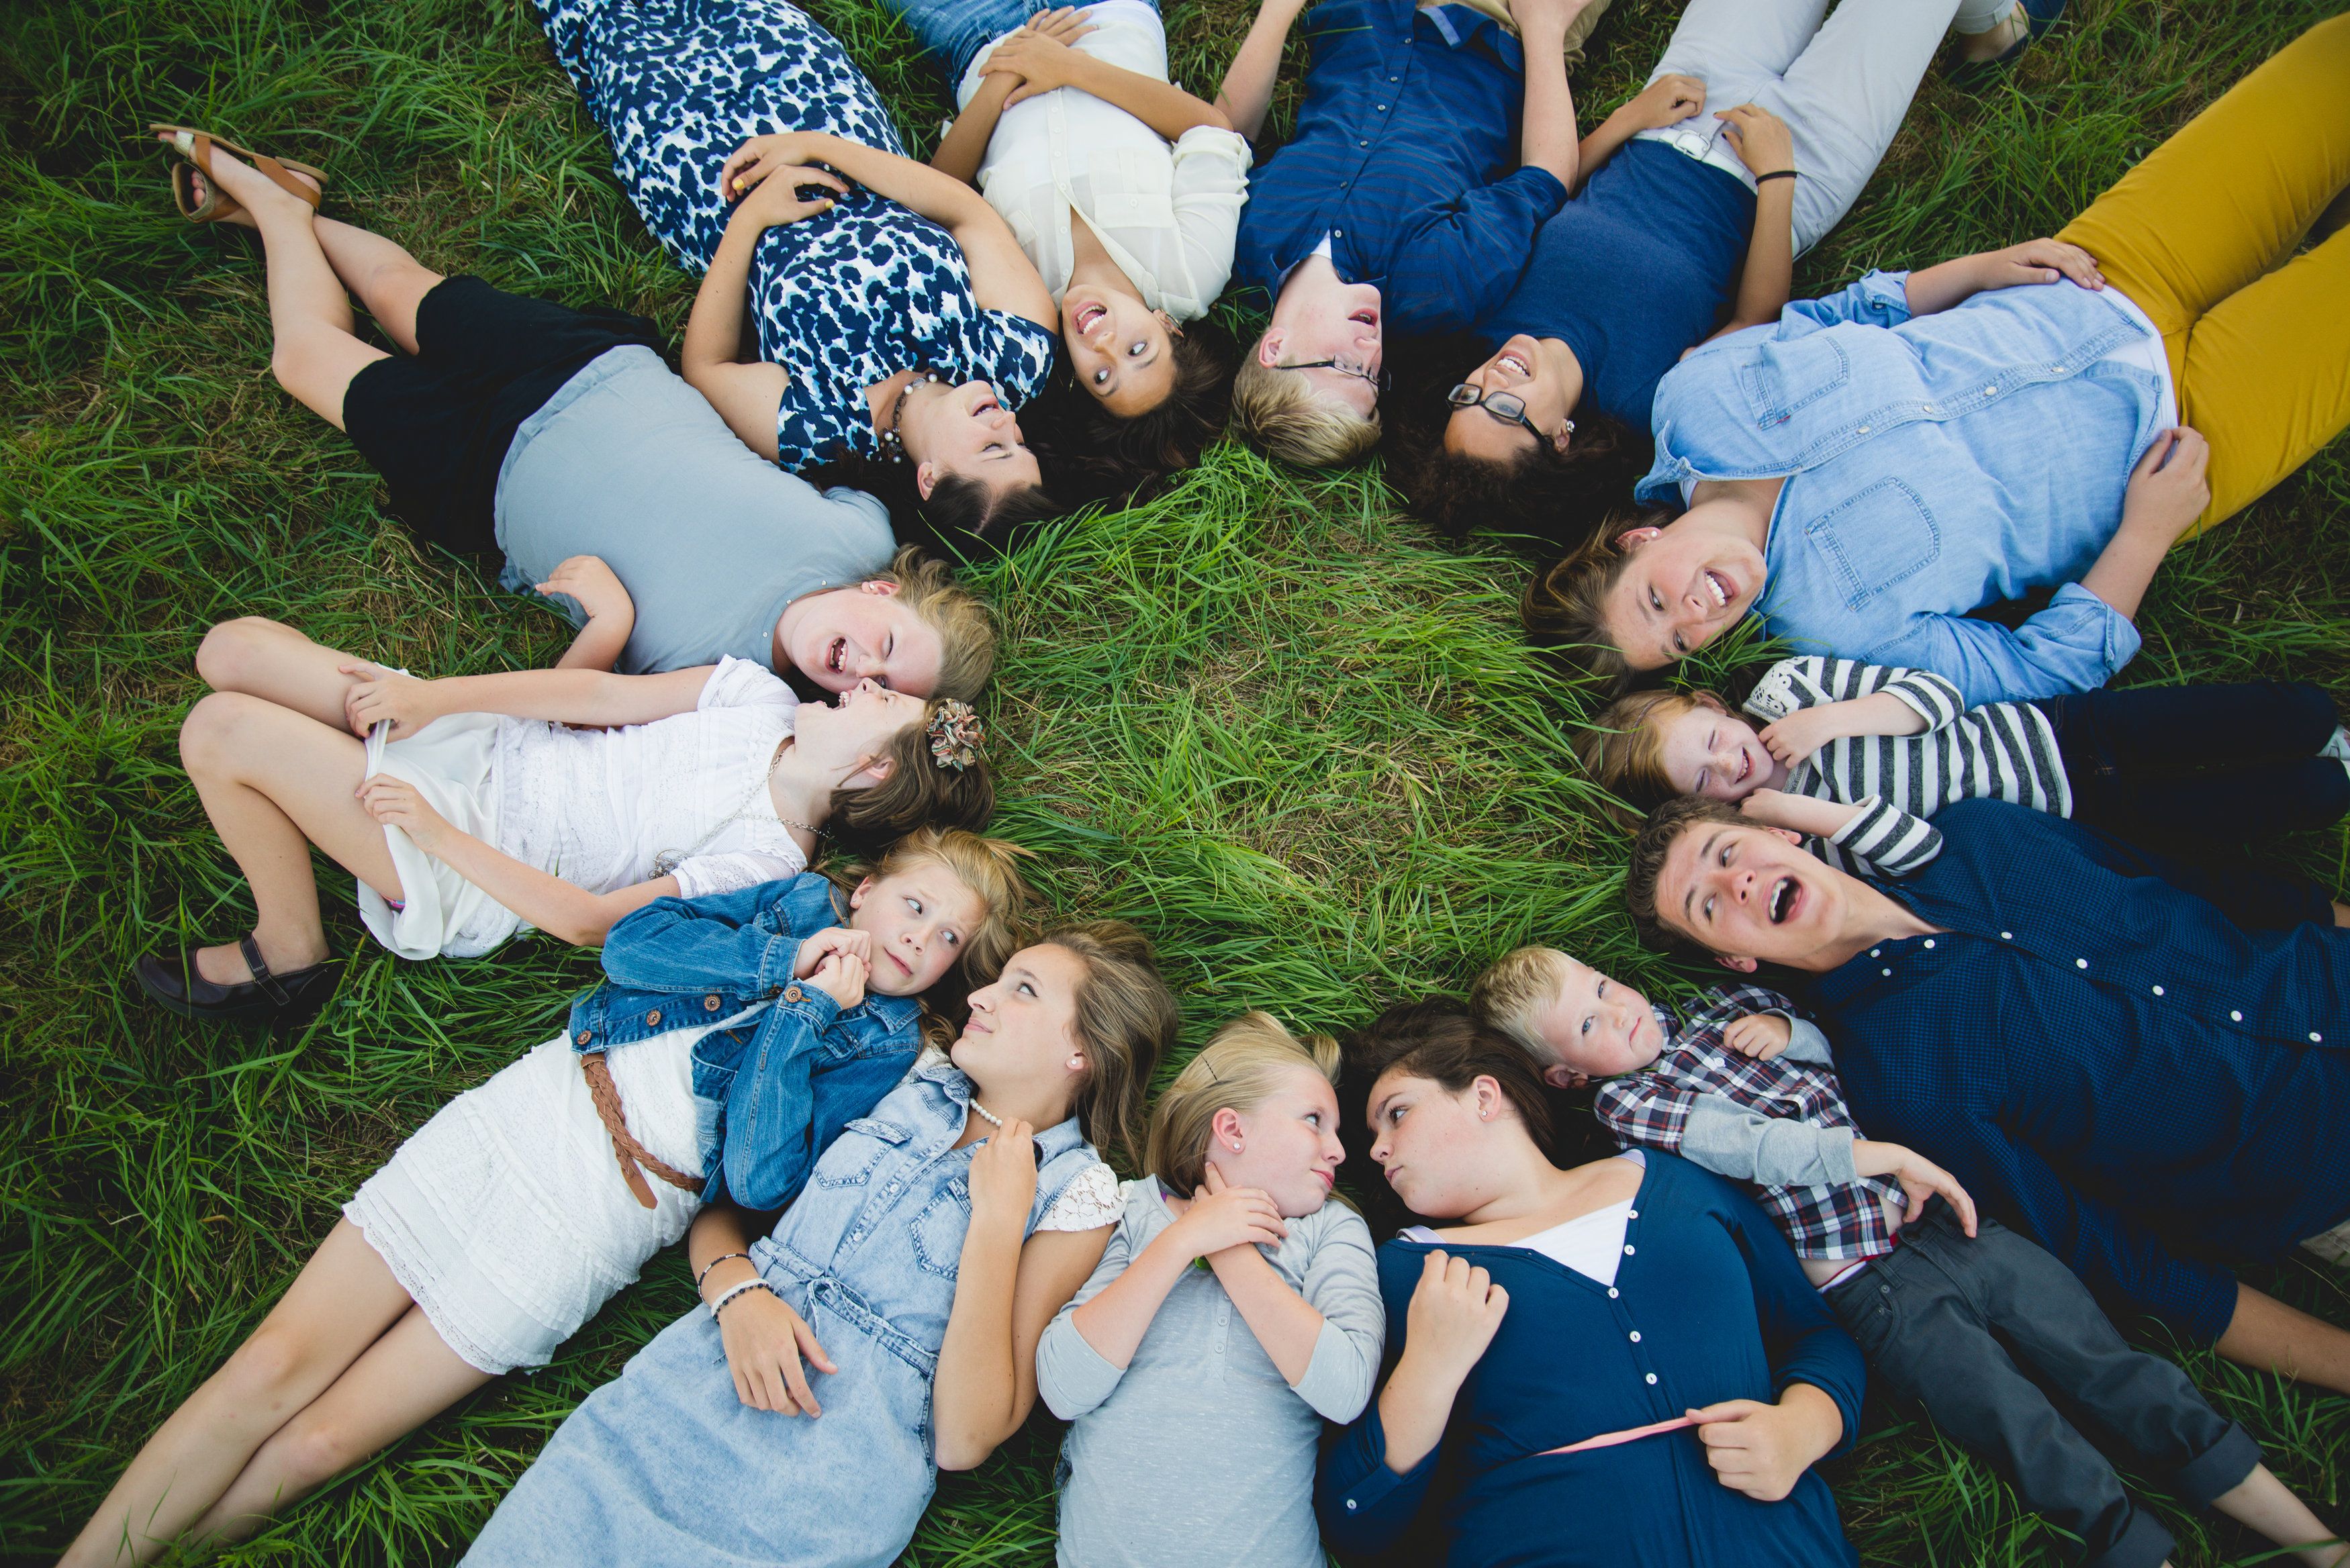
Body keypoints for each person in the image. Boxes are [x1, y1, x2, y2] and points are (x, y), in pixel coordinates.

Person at [64, 831, 1030, 1567]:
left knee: (321, 1442)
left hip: (596, 1219)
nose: (919, 941)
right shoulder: (791, 903)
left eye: (948, 939)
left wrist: (806, 1015)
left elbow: (763, 1179)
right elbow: (636, 950)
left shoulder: (884, 1048)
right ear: (864, 890)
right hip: (522, 1121)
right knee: (270, 1364)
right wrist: (783, 964)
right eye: (912, 907)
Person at [1527, 14, 2350, 699]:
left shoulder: (1694, 399)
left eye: (1658, 599)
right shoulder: (1837, 631)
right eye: (1677, 641)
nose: (1697, 612)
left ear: (1637, 542)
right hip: (2182, 429)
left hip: (2091, 276)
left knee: (2328, 68)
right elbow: (2035, 673)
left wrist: (1976, 271)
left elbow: (1834, 315)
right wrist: (2145, 533)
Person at [1470, 943, 2350, 1568]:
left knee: (2110, 1363)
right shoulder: (1633, 1109)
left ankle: (2310, 1539)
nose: (1615, 1008)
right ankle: (2135, 1547)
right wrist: (1876, 1157)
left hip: (1938, 1221)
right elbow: (1751, 1146)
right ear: (1566, 1077)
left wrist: (1790, 1031)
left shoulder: (1731, 1010)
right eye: (1587, 1024)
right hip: (1871, 1285)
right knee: (2024, 1430)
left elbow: (1837, 1063)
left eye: (1601, 985)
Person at [148, 131, 990, 693]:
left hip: (484, 479)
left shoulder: (731, 689)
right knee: (401, 292)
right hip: (588, 374)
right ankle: (293, 204)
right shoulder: (858, 536)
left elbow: (576, 704)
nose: (861, 671)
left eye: (878, 690)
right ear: (883, 588)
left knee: (304, 359)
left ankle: (274, 207)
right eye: (886, 644)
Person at [451, 922, 1176, 1567]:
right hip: (660, 1420)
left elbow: (963, 1437)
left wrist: (995, 1222)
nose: (980, 996)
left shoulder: (1077, 1196)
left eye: (1021, 990)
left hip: (815, 1502)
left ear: (1081, 1049)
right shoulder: (902, 1075)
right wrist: (739, 1296)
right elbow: (730, 1207)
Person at [1626, 793, 2350, 1403]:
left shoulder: (1983, 833)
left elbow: (2220, 890)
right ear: (1735, 960)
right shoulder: (1897, 1082)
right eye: (1709, 904)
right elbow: (2120, 1258)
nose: (1738, 884)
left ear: (1779, 834)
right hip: (2316, 1171)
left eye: (1727, 854)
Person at [134, 616, 993, 1024]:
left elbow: (590, 922)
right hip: (491, 746)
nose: (856, 685)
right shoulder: (757, 698)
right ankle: (352, 754)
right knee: (230, 650)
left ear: (872, 767)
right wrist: (434, 699)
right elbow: (591, 697)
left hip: (477, 846)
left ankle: (288, 948)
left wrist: (438, 834)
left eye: (874, 699)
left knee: (220, 730)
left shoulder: (766, 860)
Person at [1386, 0, 2025, 544]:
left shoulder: (1490, 314)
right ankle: (1991, 24)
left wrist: (1632, 117)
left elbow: (1548, 189)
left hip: (1681, 106)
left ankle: (1992, 21)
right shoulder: (1648, 400)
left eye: (1465, 395)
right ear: (1559, 440)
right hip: (1794, 163)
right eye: (1503, 408)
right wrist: (1777, 177)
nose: (1489, 378)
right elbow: (1755, 319)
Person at [1317, 1001, 1865, 1567]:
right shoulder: (1403, 1273)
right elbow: (1353, 1520)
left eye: (1397, 1114)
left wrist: (1804, 1428)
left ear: (1484, 1096)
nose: (1378, 1148)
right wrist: (1426, 1373)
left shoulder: (1678, 1183)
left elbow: (1815, 1332)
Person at [534, 0, 1069, 543]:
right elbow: (966, 211)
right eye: (1021, 444)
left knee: (617, 31)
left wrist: (751, 218)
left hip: (717, 184)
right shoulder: (1015, 359)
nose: (1009, 423)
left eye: (994, 448)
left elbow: (707, 368)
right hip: (833, 122)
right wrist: (819, 147)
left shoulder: (823, 431)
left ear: (929, 479)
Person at [1037, 1010, 1384, 1568]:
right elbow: (1063, 1387)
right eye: (1314, 1121)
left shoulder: (1331, 1229)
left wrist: (1231, 1255)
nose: (1339, 1150)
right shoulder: (1133, 1211)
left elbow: (1344, 1392)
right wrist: (1182, 1241)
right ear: (1232, 1130)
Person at [1217, 0, 1603, 466]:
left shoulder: (1243, 244)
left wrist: (1279, 11)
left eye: (1345, 367)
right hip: (1504, 27)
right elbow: (1547, 177)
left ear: (1275, 348)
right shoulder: (1433, 289)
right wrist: (1542, 27)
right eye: (1374, 379)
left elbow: (1225, 138)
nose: (1373, 354)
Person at [888, 2, 1246, 487]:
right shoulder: (1190, 274)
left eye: (1102, 378)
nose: (1104, 345)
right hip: (1105, 14)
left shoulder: (1024, 305)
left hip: (979, 41)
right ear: (1169, 327)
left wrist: (1005, 76)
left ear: (1079, 381)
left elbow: (937, 201)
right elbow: (1211, 131)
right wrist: (1070, 68)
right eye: (1139, 348)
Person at [1577, 656, 2350, 875]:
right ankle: (2328, 776)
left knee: (2287, 712)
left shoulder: (1790, 692)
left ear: (1712, 703)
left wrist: (1829, 722)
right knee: (2301, 796)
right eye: (1705, 777)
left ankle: (2320, 726)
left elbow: (1937, 694)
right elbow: (1920, 852)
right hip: (2073, 825)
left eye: (1711, 734)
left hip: (2061, 736)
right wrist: (1787, 810)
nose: (1730, 757)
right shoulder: (1785, 841)